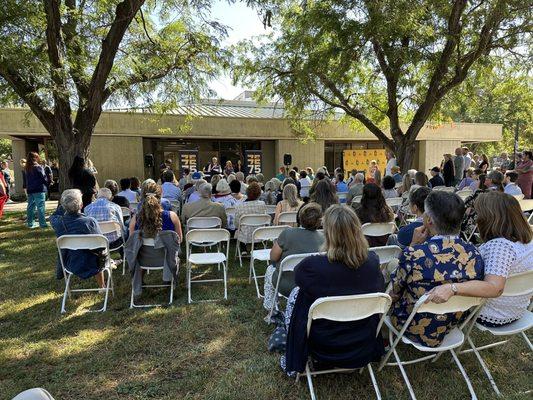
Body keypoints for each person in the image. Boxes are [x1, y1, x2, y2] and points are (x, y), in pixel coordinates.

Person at [283, 205, 385, 376]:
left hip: (322, 345)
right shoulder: (372, 262)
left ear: (328, 233)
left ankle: (295, 351)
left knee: (297, 294)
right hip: (361, 342)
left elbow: (298, 278)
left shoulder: (312, 266)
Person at [389, 191, 484, 347]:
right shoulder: (474, 253)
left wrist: (413, 246)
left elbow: (395, 291)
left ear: (429, 220)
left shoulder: (414, 254)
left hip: (411, 325)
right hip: (451, 323)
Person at [426, 192, 532, 329]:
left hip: (492, 314)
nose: (476, 219)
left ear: (489, 217)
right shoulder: (527, 242)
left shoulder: (501, 246)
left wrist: (452, 288)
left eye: (478, 214)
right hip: (517, 310)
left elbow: (495, 288)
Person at [263, 203, 325, 313]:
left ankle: (271, 310)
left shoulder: (287, 233)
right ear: (319, 221)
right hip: (314, 286)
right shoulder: (324, 239)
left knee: (269, 270)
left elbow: (273, 257)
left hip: (287, 285)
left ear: (300, 217)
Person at [50, 189, 107, 287]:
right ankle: (102, 286)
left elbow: (53, 216)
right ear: (81, 205)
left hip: (70, 262)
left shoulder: (58, 223)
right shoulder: (90, 222)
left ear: (63, 206)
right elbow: (101, 246)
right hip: (94, 263)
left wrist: (64, 205)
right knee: (99, 253)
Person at [234, 182, 267, 254]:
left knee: (239, 228)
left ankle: (243, 249)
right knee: (254, 226)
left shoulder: (240, 206)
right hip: (259, 234)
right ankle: (254, 247)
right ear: (259, 194)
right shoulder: (262, 204)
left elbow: (236, 224)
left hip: (245, 235)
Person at [24, 152, 48, 228]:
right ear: (36, 158)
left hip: (30, 189)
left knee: (30, 206)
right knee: (40, 206)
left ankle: (30, 223)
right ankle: (43, 224)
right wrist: (48, 182)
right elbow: (44, 178)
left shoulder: (27, 167)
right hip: (39, 189)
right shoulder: (38, 167)